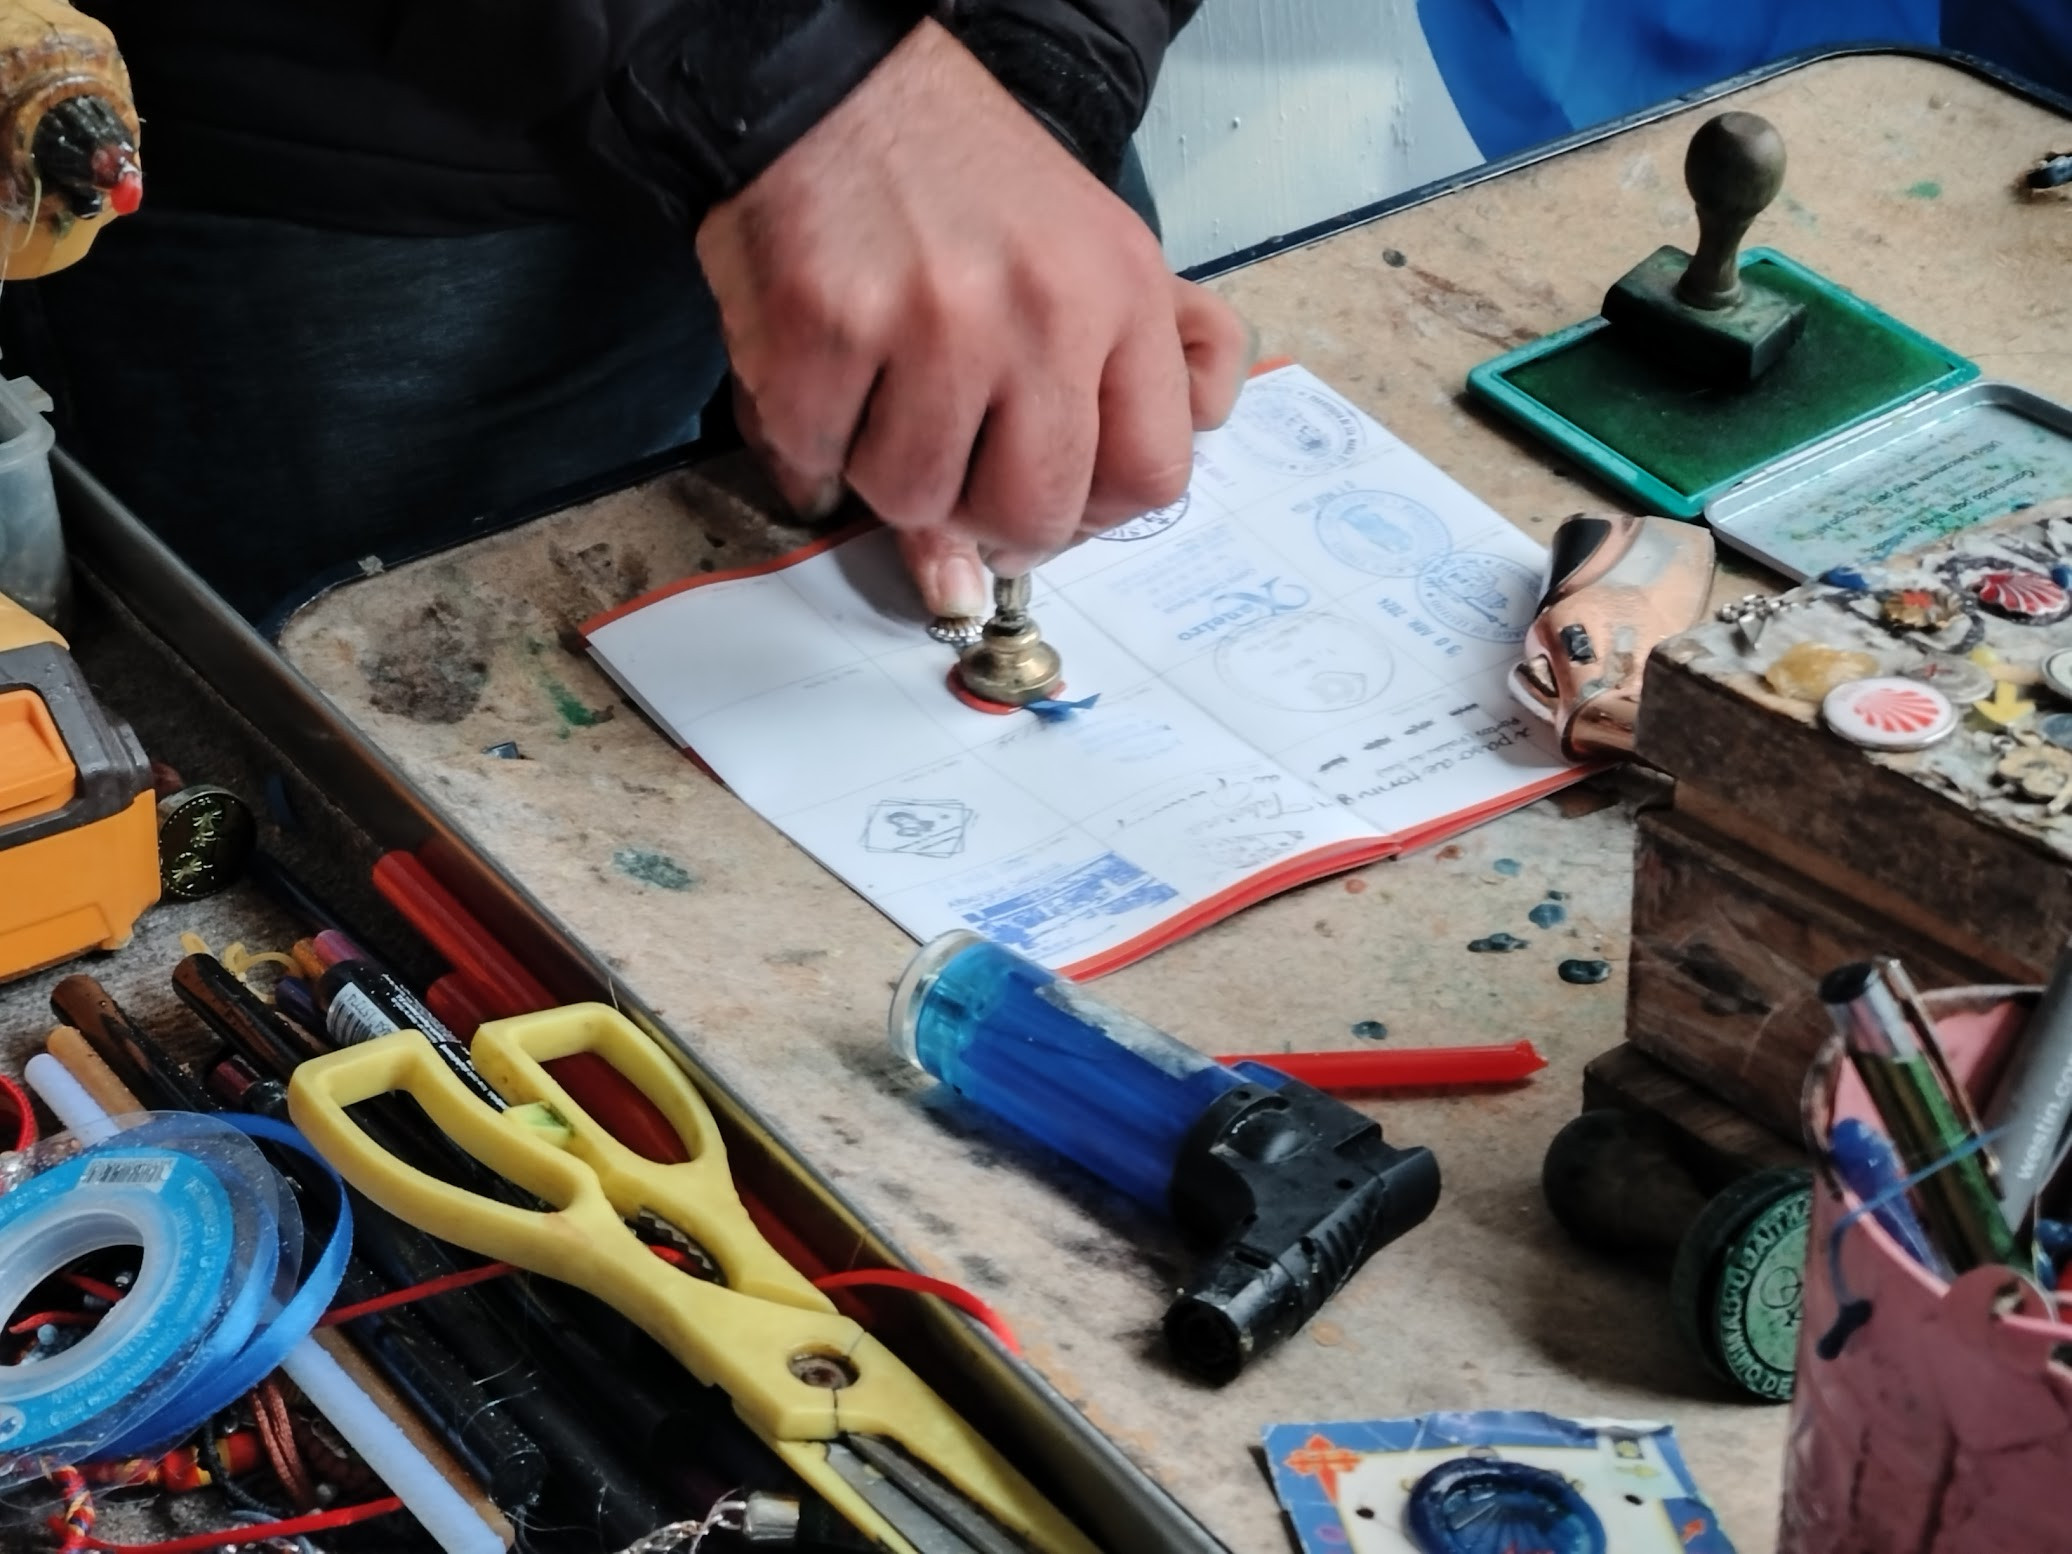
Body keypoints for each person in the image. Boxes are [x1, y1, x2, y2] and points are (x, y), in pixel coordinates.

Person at [2, 2, 1249, 622]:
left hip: (968, 103)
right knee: (398, 812)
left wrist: (1042, 74)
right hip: (369, 180)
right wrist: (800, 92)